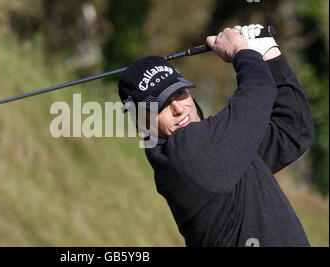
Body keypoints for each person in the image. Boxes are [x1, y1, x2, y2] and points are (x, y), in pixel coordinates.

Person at [118, 24, 315, 247]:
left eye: (180, 93)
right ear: (138, 119)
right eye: (161, 105)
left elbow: (292, 131)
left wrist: (270, 54)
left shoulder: (221, 149)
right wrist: (243, 52)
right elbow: (257, 92)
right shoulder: (184, 154)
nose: (179, 108)